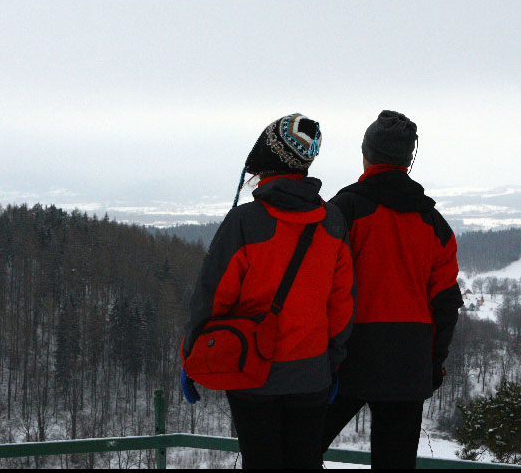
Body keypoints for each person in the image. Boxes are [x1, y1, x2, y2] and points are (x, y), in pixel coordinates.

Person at [180, 113, 357, 469]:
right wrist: (333, 360)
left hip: (252, 372)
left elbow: (214, 296)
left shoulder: (245, 222)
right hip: (312, 376)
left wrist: (192, 353)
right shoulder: (333, 221)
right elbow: (341, 303)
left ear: (269, 161)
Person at [323, 110, 462, 469]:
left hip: (347, 356)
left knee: (300, 448)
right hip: (409, 361)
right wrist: (434, 364)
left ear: (366, 154)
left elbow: (318, 284)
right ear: (408, 160)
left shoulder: (344, 210)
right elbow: (445, 304)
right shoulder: (435, 225)